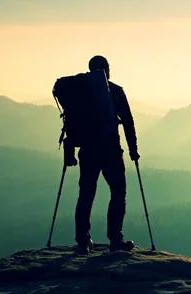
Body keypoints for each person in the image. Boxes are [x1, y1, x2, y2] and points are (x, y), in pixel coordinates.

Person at [72, 55, 140, 253]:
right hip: (111, 150)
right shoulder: (116, 92)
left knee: (86, 195)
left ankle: (82, 241)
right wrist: (133, 150)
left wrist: (69, 151)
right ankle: (115, 240)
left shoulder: (80, 92)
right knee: (118, 193)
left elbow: (70, 122)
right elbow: (128, 121)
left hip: (88, 151)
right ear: (107, 70)